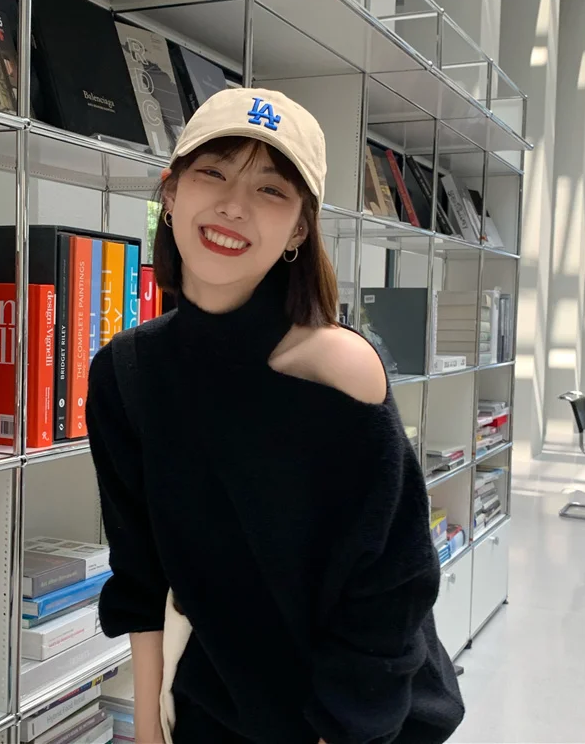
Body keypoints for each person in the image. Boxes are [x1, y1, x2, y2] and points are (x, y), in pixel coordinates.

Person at [86, 87, 464, 744]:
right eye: (213, 172)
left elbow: (392, 587)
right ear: (170, 192)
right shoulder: (126, 374)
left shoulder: (339, 368)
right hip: (220, 709)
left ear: (298, 230)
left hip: (360, 716)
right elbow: (141, 578)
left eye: (270, 189)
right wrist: (147, 728)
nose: (234, 205)